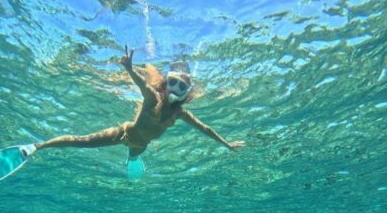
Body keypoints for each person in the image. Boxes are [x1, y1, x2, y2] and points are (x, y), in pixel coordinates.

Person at [19, 46, 245, 169]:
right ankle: (37, 147)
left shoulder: (180, 113)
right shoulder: (153, 98)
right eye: (172, 82)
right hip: (124, 134)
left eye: (181, 85)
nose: (175, 88)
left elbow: (204, 129)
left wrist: (225, 143)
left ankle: (133, 159)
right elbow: (142, 83)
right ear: (166, 82)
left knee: (134, 155)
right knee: (82, 142)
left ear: (187, 91)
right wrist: (128, 68)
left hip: (141, 145)